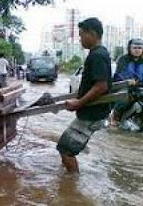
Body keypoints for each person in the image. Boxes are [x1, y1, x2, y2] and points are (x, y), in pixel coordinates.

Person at [56, 18, 112, 173]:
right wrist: (78, 98)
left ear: (92, 34)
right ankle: (67, 181)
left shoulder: (97, 56)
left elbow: (101, 86)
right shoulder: (99, 53)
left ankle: (71, 188)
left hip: (91, 115)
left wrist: (78, 103)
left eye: (81, 35)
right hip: (93, 113)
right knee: (67, 148)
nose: (80, 39)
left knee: (65, 150)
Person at [110, 38, 143, 126]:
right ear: (130, 48)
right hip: (124, 86)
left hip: (140, 87)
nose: (137, 50)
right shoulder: (123, 59)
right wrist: (128, 80)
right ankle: (115, 116)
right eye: (135, 48)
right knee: (124, 97)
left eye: (140, 48)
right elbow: (121, 73)